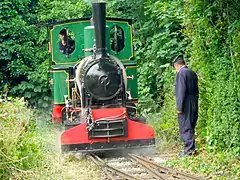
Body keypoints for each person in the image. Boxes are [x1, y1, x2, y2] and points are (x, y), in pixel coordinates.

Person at [172, 55, 199, 157]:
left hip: (186, 102)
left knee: (185, 126)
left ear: (177, 65)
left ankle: (189, 151)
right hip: (194, 101)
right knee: (191, 124)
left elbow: (181, 91)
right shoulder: (192, 73)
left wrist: (179, 107)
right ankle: (191, 148)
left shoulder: (181, 73)